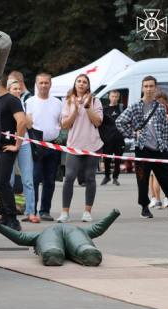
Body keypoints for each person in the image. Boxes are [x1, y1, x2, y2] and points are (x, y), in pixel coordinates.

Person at [116, 76, 168, 219]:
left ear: (155, 87)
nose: (148, 89)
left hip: (160, 148)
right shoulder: (135, 106)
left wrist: (166, 144)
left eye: (151, 86)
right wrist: (133, 134)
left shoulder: (160, 107)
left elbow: (164, 128)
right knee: (142, 180)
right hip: (143, 148)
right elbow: (119, 122)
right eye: (146, 86)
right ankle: (144, 207)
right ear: (142, 88)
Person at [58, 74, 103, 223]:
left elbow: (98, 122)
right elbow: (65, 125)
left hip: (92, 146)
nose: (81, 84)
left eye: (84, 82)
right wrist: (75, 110)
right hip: (74, 146)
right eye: (79, 81)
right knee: (69, 178)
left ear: (88, 86)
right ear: (75, 84)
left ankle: (87, 212)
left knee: (90, 178)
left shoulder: (95, 101)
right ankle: (65, 213)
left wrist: (87, 107)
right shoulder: (68, 102)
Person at [0, 74, 25, 231]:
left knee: (2, 181)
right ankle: (3, 216)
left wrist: (17, 145)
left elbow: (21, 121)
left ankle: (12, 218)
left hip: (6, 147)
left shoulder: (11, 99)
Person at [26, 72, 63, 221]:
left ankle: (45, 210)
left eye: (46, 83)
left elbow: (62, 123)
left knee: (49, 180)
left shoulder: (57, 102)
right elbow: (27, 124)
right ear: (36, 84)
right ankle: (32, 211)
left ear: (50, 84)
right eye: (40, 83)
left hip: (53, 145)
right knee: (34, 179)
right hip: (36, 146)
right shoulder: (29, 102)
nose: (43, 85)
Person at [7, 79, 39, 223]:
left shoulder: (25, 104)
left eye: (19, 89)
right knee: (9, 180)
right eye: (14, 89)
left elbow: (30, 125)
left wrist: (21, 108)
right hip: (10, 143)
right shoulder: (4, 104)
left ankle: (31, 212)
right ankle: (7, 211)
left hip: (25, 143)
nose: (18, 91)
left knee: (28, 180)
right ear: (8, 91)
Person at [99, 90, 125, 186]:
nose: (114, 98)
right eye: (112, 96)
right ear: (109, 97)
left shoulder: (122, 108)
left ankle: (115, 177)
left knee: (118, 158)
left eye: (116, 96)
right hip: (108, 138)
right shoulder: (104, 109)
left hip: (119, 138)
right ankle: (106, 176)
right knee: (106, 158)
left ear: (118, 97)